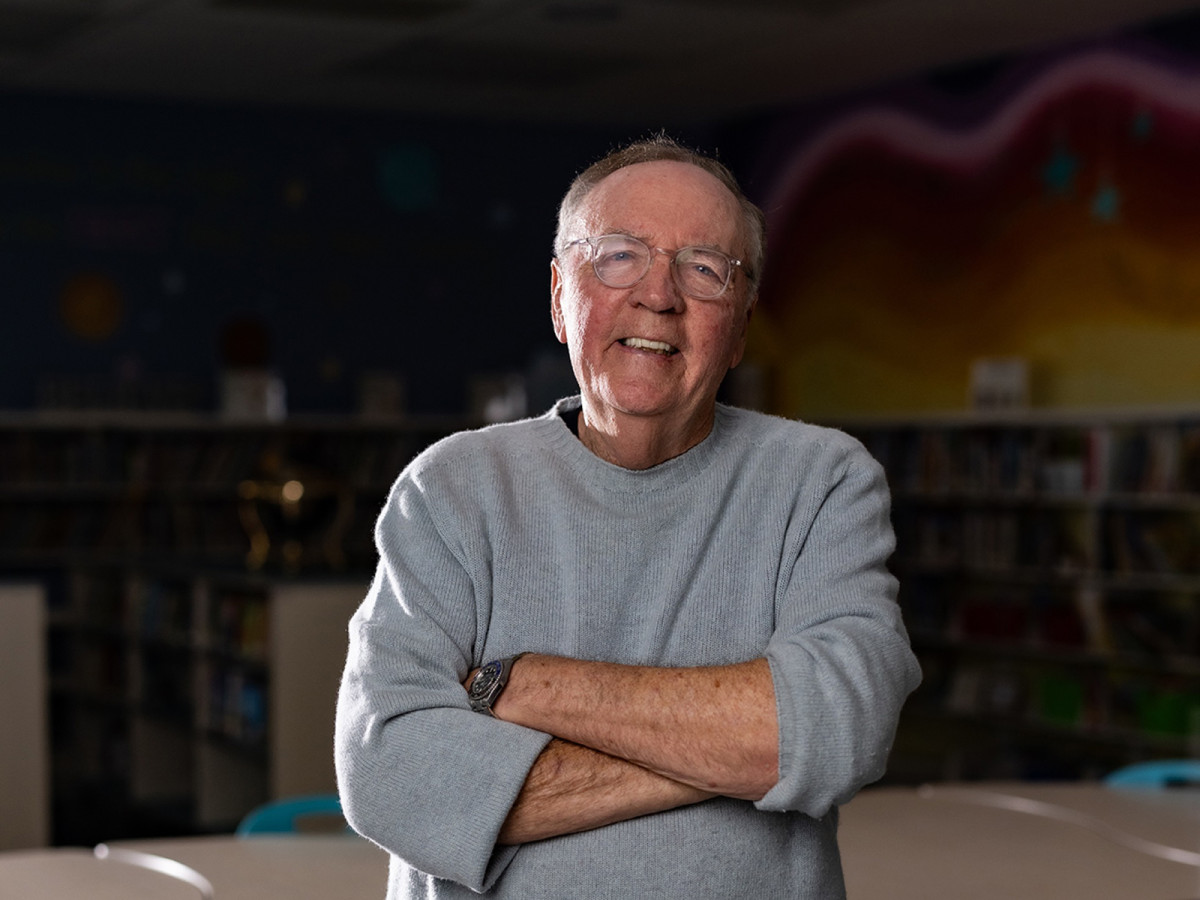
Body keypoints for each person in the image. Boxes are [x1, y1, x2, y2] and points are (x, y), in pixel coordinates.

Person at [334, 135, 921, 899]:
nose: (659, 294)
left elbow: (839, 733)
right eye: (619, 256)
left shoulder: (822, 482)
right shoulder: (452, 489)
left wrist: (527, 685)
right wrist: (739, 753)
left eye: (705, 270)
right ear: (557, 298)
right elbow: (391, 777)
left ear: (741, 327)